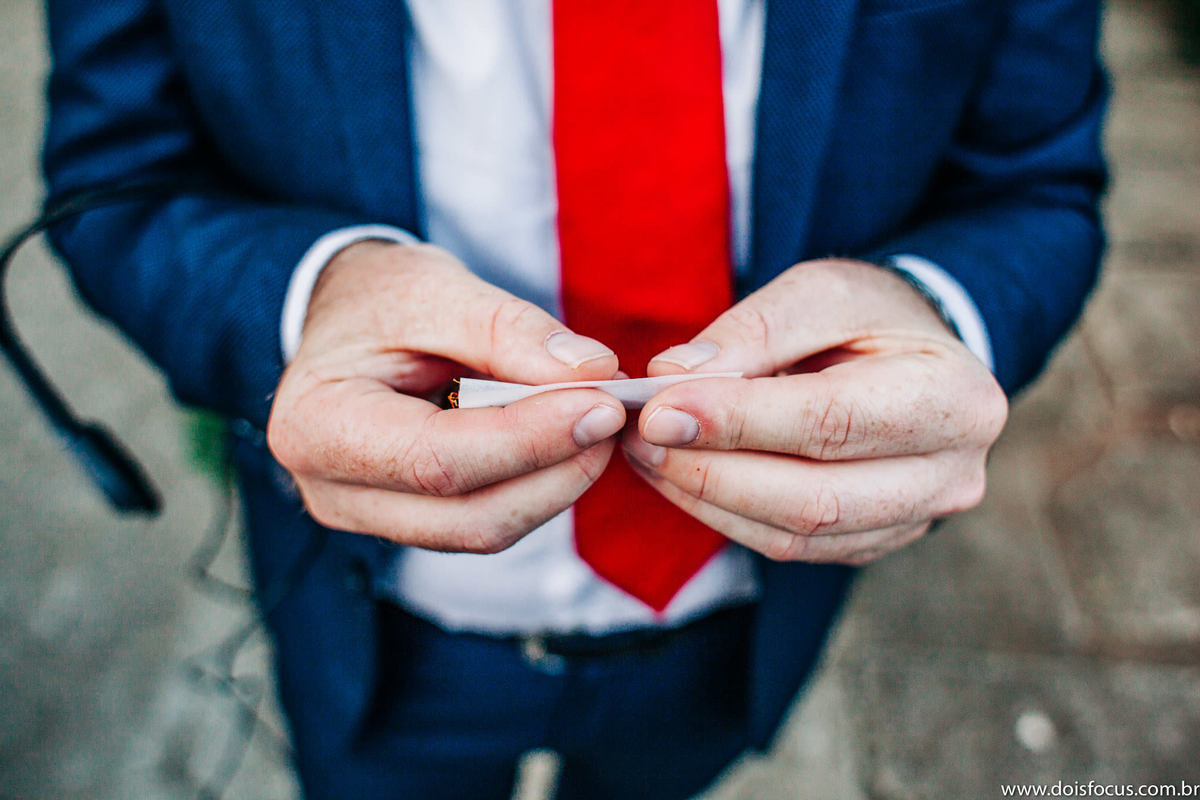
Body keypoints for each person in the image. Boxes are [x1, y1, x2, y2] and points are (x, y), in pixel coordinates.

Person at [42, 0, 1106, 797]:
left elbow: (1035, 184)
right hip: (371, 627)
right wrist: (309, 289)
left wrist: (932, 307)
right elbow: (114, 171)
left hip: (734, 626)